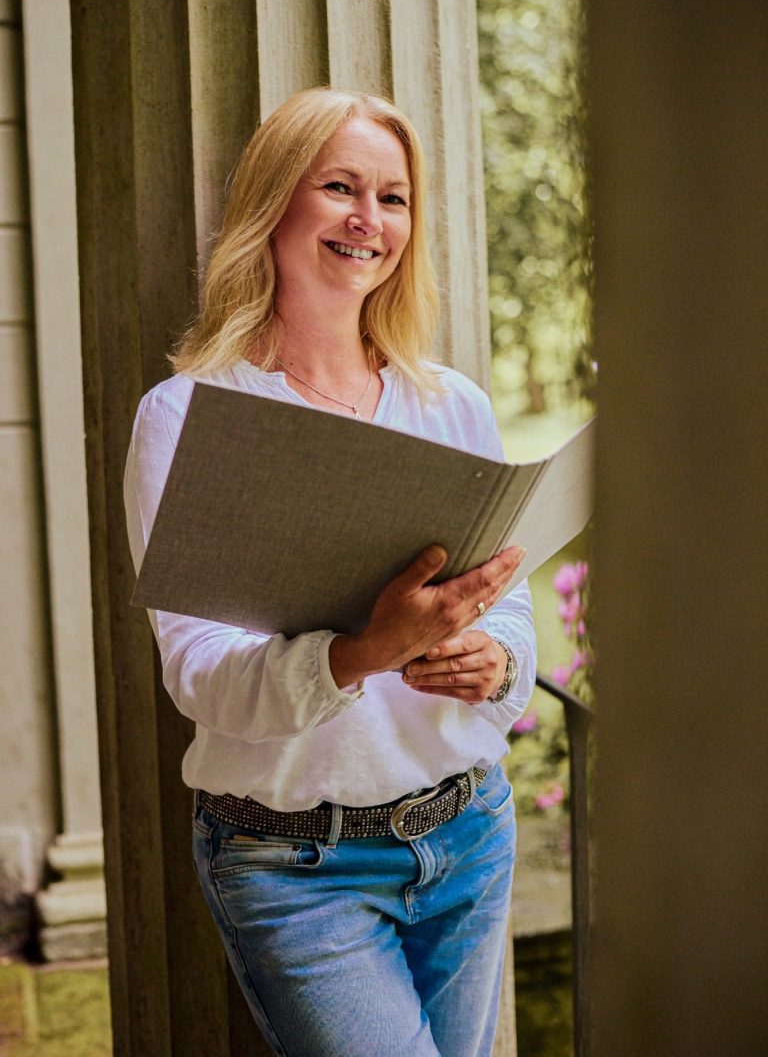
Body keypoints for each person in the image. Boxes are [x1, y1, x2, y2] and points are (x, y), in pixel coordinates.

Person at [124, 88, 536, 1057]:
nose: (370, 219)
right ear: (274, 205)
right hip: (292, 861)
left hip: (468, 829)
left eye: (393, 198)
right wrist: (360, 654)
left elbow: (507, 595)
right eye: (340, 187)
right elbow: (198, 671)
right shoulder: (186, 414)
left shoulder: (451, 402)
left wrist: (492, 659)